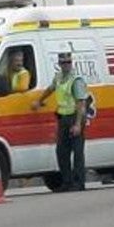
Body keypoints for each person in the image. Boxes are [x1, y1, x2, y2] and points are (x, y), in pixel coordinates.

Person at [31, 51, 89, 192]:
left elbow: (81, 103)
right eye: (63, 62)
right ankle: (67, 182)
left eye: (68, 62)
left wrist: (77, 124)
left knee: (77, 152)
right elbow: (50, 90)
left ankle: (78, 183)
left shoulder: (76, 80)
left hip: (75, 117)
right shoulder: (58, 78)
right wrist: (39, 101)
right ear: (59, 64)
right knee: (61, 152)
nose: (66, 65)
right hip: (63, 118)